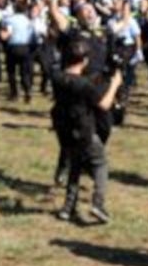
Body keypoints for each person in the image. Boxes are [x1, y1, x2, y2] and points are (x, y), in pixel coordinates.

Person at [50, 36, 118, 225]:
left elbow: (70, 78)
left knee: (75, 165)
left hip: (63, 129)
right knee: (100, 163)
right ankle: (98, 203)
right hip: (83, 130)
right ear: (85, 60)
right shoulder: (84, 85)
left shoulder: (56, 76)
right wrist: (114, 85)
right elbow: (104, 105)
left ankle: (68, 206)